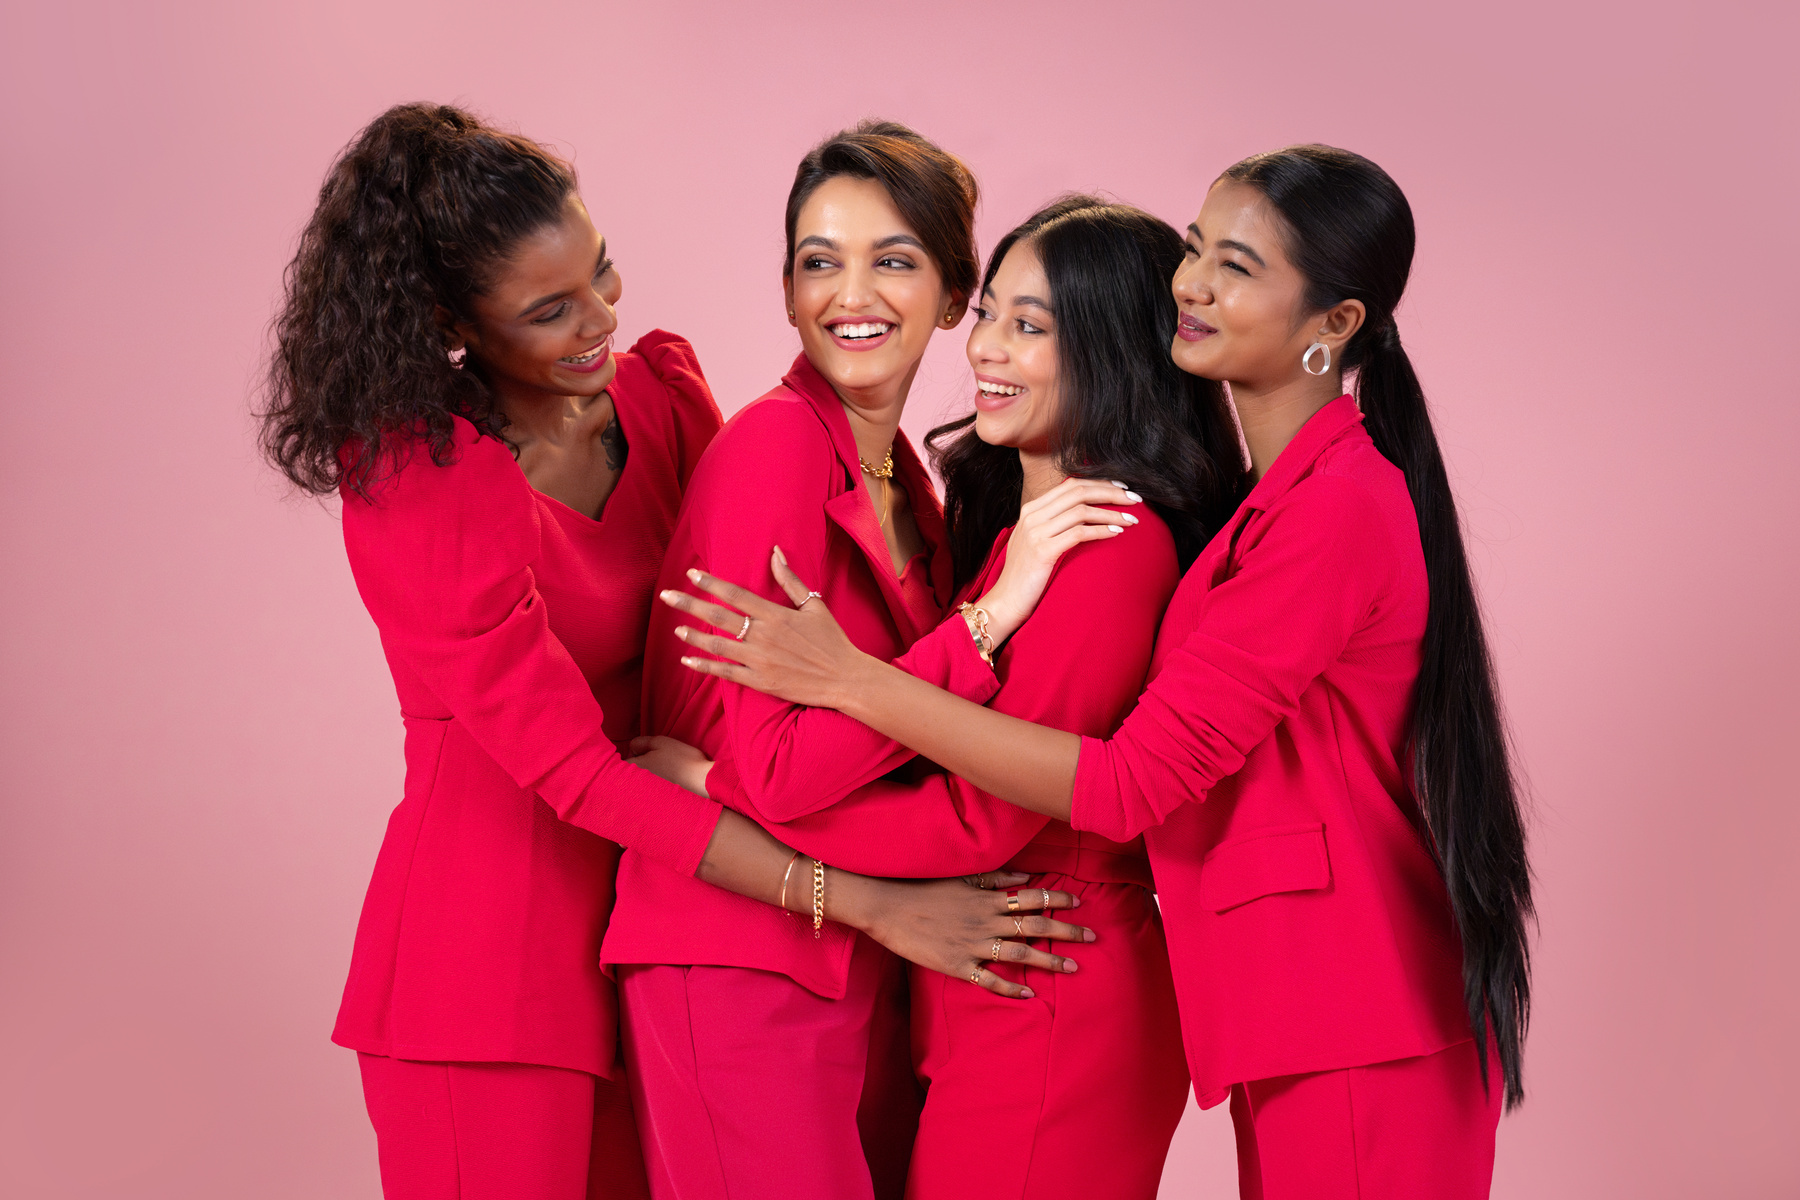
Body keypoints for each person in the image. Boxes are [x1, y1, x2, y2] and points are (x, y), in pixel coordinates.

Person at [259, 104, 1098, 1200]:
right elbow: (579, 775)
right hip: (495, 960)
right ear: (449, 319)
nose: (600, 318)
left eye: (603, 275)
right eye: (551, 310)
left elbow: (730, 654)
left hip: (667, 919)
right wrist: (870, 902)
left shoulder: (658, 400)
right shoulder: (424, 478)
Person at [663, 145, 1535, 1200]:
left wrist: (825, 710)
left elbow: (1125, 787)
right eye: (1200, 249)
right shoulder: (1249, 510)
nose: (1196, 283)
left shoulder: (1289, 513)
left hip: (1332, 999)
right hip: (1284, 1002)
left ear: (1335, 325)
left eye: (1239, 267)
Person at [636, 195, 1244, 1198]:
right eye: (992, 316)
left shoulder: (1109, 547)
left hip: (1049, 976)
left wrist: (715, 781)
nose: (988, 352)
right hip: (1004, 978)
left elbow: (976, 823)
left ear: (1113, 350)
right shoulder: (1025, 536)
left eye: (1032, 327)